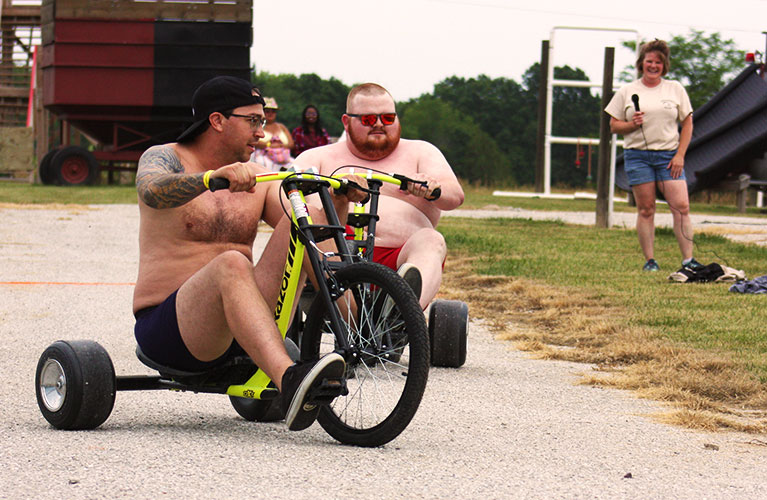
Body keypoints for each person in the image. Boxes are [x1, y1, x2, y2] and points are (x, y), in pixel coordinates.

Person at [132, 76, 366, 431]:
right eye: (254, 121)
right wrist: (210, 179)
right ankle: (289, 379)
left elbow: (315, 231)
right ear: (217, 120)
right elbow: (152, 190)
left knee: (300, 224)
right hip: (172, 331)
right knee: (230, 263)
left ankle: (358, 333)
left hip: (245, 333)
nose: (264, 132)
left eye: (264, 121)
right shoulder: (166, 158)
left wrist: (340, 200)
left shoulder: (258, 177)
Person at [293, 83, 464, 309]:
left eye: (388, 118)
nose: (379, 125)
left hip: (399, 259)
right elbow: (287, 197)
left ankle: (403, 311)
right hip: (333, 259)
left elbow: (455, 196)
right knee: (309, 228)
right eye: (368, 120)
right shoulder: (317, 157)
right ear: (346, 122)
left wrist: (432, 189)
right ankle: (353, 315)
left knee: (432, 240)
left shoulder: (421, 152)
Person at [605, 39, 702, 273]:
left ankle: (688, 260)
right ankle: (650, 261)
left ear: (664, 65)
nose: (653, 65)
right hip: (637, 156)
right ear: (641, 63)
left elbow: (687, 124)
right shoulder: (628, 91)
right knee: (646, 209)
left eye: (658, 62)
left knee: (681, 206)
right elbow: (613, 126)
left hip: (669, 156)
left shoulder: (675, 88)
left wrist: (680, 155)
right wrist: (631, 124)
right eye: (649, 61)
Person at [250, 97, 294, 171]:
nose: (270, 114)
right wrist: (268, 145)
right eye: (267, 111)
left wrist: (280, 145)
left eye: (273, 111)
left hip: (284, 158)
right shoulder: (257, 125)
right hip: (262, 157)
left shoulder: (281, 127)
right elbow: (252, 140)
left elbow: (291, 144)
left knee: (295, 166)